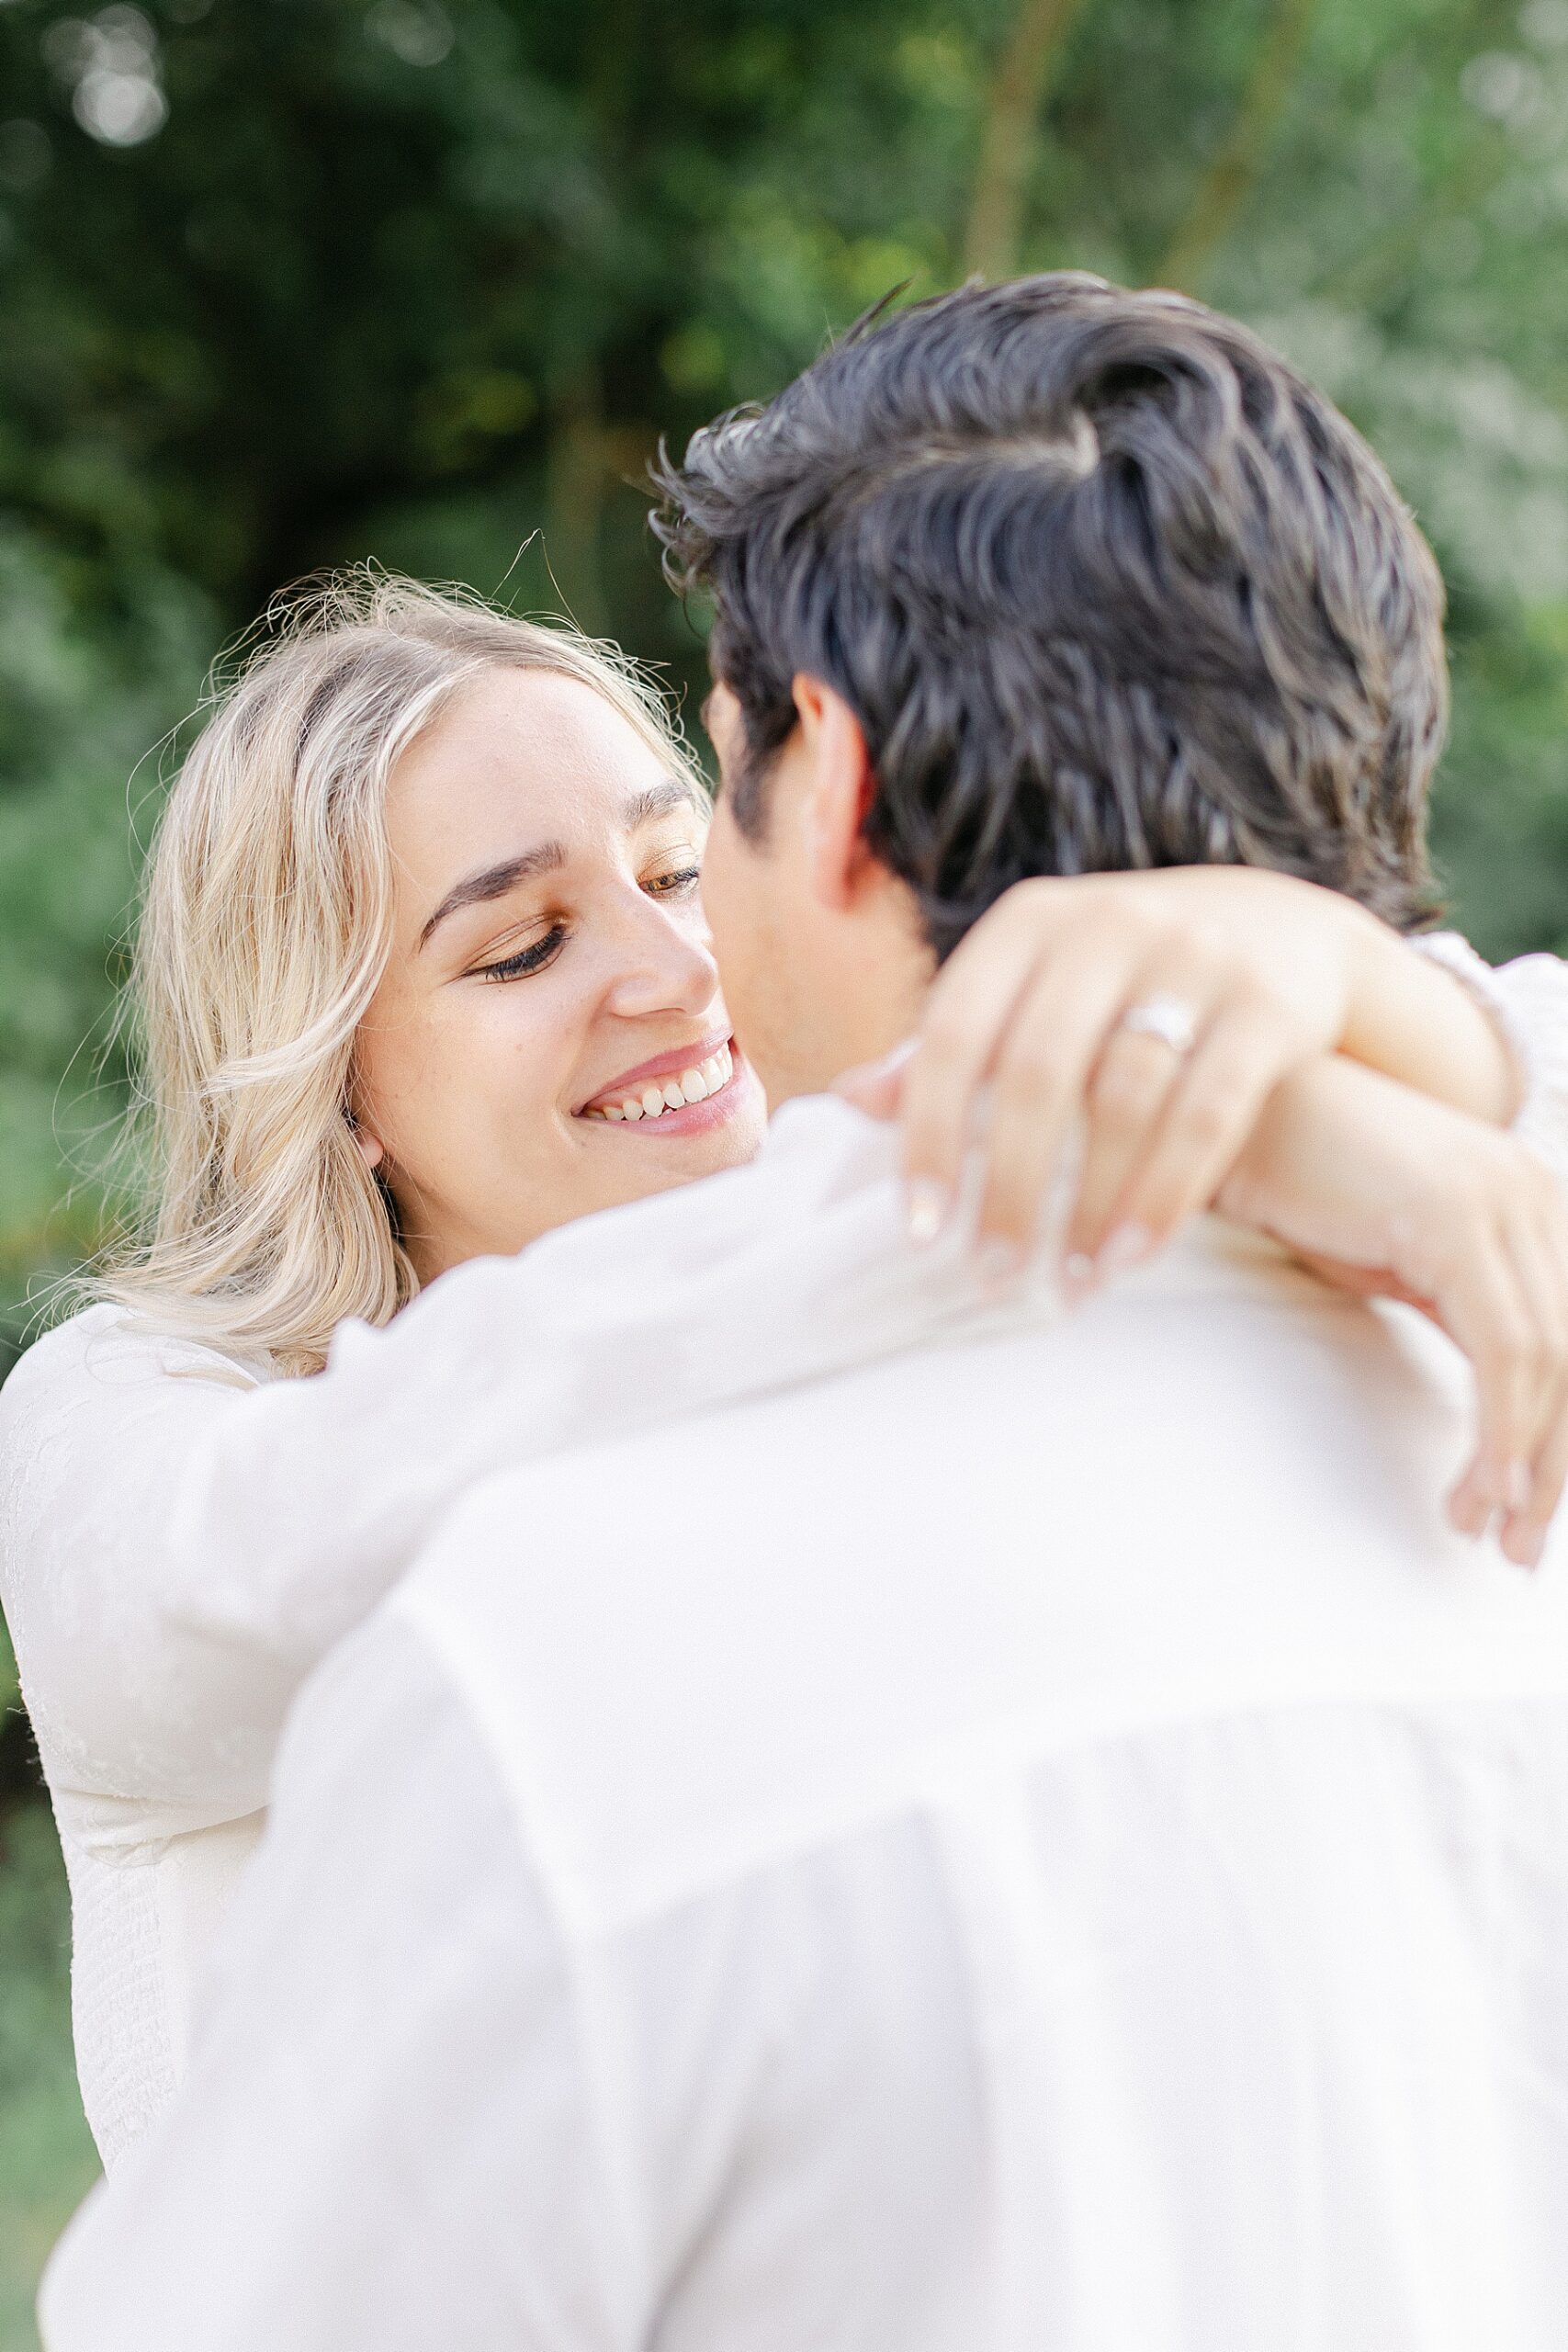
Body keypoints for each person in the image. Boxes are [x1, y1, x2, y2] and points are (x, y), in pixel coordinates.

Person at [40, 276, 1568, 2347]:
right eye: (516, 949)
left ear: (808, 796)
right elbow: (295, 1532)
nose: (671, 974)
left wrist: (1350, 1033)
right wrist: (1244, 1111)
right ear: (323, 1074)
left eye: (679, 864)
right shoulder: (153, 1436)